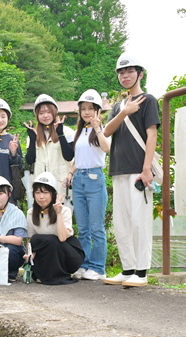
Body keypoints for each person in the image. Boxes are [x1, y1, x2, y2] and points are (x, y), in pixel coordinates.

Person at [102, 52, 160, 287]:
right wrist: (124, 112)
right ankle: (127, 269)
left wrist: (147, 169)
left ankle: (142, 272)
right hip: (118, 169)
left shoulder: (149, 101)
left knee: (140, 221)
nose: (125, 76)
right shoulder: (119, 106)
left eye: (129, 71)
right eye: (121, 72)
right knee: (121, 221)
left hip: (138, 170)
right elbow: (106, 132)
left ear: (140, 74)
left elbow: (152, 134)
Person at [65, 89, 111, 281]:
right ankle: (83, 265)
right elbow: (79, 157)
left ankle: (99, 267)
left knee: (96, 228)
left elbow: (107, 148)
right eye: (83, 109)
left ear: (98, 110)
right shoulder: (80, 131)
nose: (86, 112)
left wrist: (98, 128)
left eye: (91, 108)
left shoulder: (103, 129)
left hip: (95, 178)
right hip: (79, 180)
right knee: (82, 228)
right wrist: (70, 172)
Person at [25, 172, 84, 285]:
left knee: (51, 240)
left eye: (45, 192)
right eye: (37, 192)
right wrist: (29, 254)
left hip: (68, 254)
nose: (41, 197)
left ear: (53, 194)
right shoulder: (31, 213)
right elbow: (31, 240)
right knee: (37, 239)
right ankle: (45, 275)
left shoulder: (64, 210)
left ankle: (58, 276)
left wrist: (58, 214)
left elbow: (62, 238)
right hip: (47, 254)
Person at [24, 94, 75, 197]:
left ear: (54, 113)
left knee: (61, 212)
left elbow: (69, 157)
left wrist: (61, 135)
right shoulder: (33, 135)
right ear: (37, 115)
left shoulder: (67, 132)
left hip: (60, 185)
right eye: (41, 113)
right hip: (40, 187)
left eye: (48, 112)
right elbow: (30, 160)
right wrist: (33, 140)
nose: (45, 116)